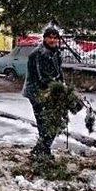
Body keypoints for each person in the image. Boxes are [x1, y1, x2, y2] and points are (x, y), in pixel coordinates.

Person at [23, 27, 64, 158]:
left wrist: (63, 86)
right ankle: (42, 152)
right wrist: (58, 88)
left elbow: (59, 73)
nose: (52, 40)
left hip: (49, 92)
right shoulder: (38, 54)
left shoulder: (56, 53)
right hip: (37, 92)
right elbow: (43, 77)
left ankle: (40, 151)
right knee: (45, 124)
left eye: (55, 38)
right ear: (45, 38)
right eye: (50, 37)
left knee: (53, 123)